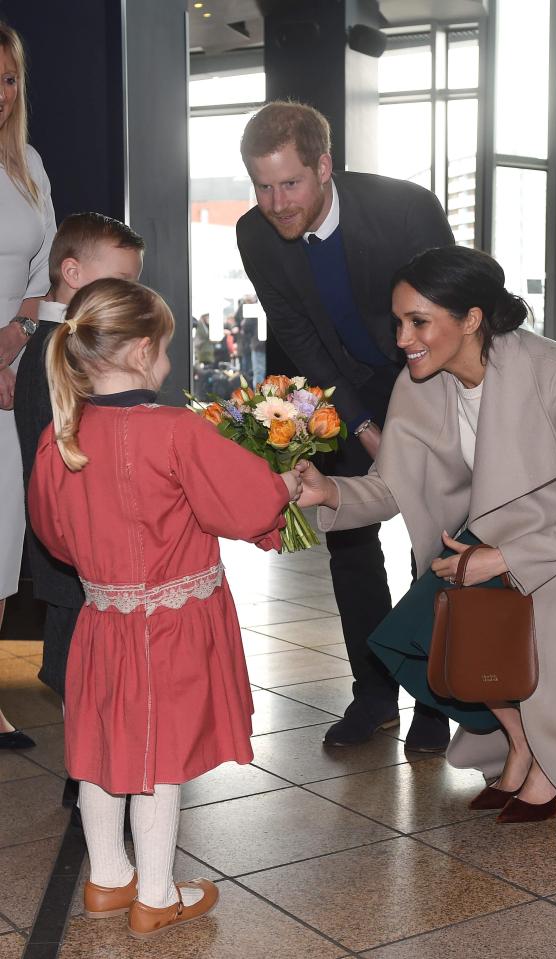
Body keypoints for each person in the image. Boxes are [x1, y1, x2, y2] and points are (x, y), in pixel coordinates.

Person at [298, 245, 556, 823]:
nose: (402, 338)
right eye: (399, 322)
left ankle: (554, 761)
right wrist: (329, 492)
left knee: (541, 630)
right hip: (512, 525)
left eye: (418, 321)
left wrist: (503, 558)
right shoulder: (419, 382)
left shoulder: (555, 372)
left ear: (471, 318)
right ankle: (524, 745)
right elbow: (392, 485)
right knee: (423, 625)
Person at [28, 278, 302, 937]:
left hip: (102, 620)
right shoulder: (176, 430)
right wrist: (285, 483)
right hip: (171, 626)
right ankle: (156, 894)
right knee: (158, 757)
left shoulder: (58, 435)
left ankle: (107, 876)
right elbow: (240, 504)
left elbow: (53, 533)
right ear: (145, 349)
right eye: (168, 348)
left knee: (102, 748)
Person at [237, 100, 455, 750]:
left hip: (427, 376)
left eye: (290, 183)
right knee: (349, 541)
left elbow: (448, 318)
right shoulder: (255, 235)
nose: (275, 202)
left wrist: (414, 425)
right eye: (262, 185)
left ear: (324, 166)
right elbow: (301, 337)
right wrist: (362, 426)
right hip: (345, 387)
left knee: (432, 543)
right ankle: (374, 692)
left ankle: (433, 697)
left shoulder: (404, 211)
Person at [15, 213, 145, 706]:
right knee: (82, 670)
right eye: (122, 281)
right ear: (72, 274)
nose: (131, 294)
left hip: (75, 541)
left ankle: (90, 771)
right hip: (75, 541)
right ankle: (87, 776)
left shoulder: (63, 345)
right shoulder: (60, 351)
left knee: (90, 668)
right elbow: (75, 454)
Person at [0, 21, 55, 749]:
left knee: (4, 535)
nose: (1, 93)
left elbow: (42, 282)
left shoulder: (28, 162)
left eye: (9, 78)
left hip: (10, 376)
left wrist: (14, 352)